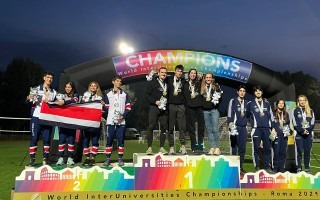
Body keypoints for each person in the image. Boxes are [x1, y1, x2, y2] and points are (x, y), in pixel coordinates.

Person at [26, 71, 57, 166]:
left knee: (47, 140)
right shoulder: (35, 89)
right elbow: (28, 101)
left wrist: (52, 103)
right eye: (48, 77)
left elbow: (55, 106)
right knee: (34, 138)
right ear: (44, 78)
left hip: (47, 118)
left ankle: (45, 159)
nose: (49, 79)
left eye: (51, 78)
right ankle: (32, 159)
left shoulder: (54, 92)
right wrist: (28, 97)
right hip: (36, 116)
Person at [246, 85, 275, 174]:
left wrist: (273, 128)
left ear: (262, 92)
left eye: (260, 91)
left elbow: (271, 117)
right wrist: (252, 123)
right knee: (256, 149)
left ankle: (267, 167)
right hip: (256, 129)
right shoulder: (250, 104)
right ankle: (257, 166)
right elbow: (247, 116)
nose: (258, 92)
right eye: (256, 91)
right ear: (254, 93)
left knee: (267, 149)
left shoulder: (267, 104)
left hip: (267, 129)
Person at [103, 75, 131, 166]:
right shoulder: (108, 95)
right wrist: (104, 106)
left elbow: (128, 107)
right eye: (117, 81)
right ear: (113, 82)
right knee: (109, 140)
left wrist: (123, 116)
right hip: (110, 121)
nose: (119, 83)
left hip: (121, 121)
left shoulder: (125, 94)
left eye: (120, 81)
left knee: (121, 140)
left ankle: (120, 158)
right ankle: (107, 158)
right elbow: (106, 108)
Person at [145, 67, 169, 155]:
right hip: (154, 107)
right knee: (151, 126)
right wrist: (155, 101)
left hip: (164, 109)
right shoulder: (152, 83)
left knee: (163, 127)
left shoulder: (168, 82)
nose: (164, 74)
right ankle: (149, 148)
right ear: (158, 73)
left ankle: (162, 147)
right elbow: (147, 95)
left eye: (165, 72)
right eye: (162, 72)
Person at [55, 81, 79, 166]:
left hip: (72, 122)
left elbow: (74, 101)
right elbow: (56, 103)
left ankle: (70, 158)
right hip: (63, 122)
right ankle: (60, 158)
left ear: (72, 88)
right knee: (62, 140)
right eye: (66, 87)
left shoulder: (76, 95)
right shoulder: (61, 96)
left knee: (71, 141)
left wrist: (64, 102)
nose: (67, 89)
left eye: (69, 87)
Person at [82, 81, 103, 166]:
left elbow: (103, 108)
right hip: (86, 121)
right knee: (86, 140)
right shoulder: (85, 96)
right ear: (89, 87)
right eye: (92, 86)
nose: (93, 87)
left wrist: (103, 105)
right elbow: (81, 106)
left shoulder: (100, 97)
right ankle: (87, 158)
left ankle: (93, 158)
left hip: (96, 122)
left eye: (95, 86)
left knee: (95, 140)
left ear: (97, 88)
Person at [167, 65, 187, 155]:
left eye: (181, 72)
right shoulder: (169, 79)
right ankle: (171, 147)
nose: (179, 73)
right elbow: (159, 78)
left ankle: (182, 146)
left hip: (181, 106)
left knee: (182, 127)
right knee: (170, 127)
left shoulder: (184, 81)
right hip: (171, 105)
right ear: (175, 71)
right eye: (178, 71)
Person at [227, 85, 248, 173]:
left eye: (243, 91)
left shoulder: (247, 103)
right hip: (234, 127)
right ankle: (232, 167)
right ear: (237, 92)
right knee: (234, 148)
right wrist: (231, 124)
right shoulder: (233, 101)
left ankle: (240, 167)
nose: (242, 92)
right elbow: (229, 113)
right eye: (240, 91)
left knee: (242, 149)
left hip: (243, 128)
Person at [184, 69, 205, 154]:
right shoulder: (185, 84)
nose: (193, 74)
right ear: (189, 75)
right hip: (189, 108)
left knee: (201, 128)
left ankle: (200, 146)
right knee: (191, 129)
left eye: (194, 73)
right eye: (191, 73)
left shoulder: (199, 83)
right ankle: (194, 147)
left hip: (199, 107)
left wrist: (202, 77)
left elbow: (204, 85)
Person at [201, 73, 222, 155]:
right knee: (209, 130)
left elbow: (220, 98)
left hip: (214, 110)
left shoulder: (216, 87)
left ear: (212, 78)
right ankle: (212, 147)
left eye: (210, 77)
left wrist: (217, 101)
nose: (208, 79)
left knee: (215, 129)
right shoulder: (202, 87)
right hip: (205, 111)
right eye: (207, 77)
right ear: (205, 79)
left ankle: (217, 148)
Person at [292, 95, 315, 173]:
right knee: (299, 151)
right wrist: (302, 131)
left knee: (307, 152)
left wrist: (307, 130)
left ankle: (307, 168)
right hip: (299, 134)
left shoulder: (310, 111)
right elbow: (295, 123)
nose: (302, 102)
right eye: (300, 100)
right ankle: (299, 168)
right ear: (298, 101)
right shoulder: (295, 110)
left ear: (306, 101)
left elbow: (312, 123)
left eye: (303, 100)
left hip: (309, 134)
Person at [272, 99, 292, 173]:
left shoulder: (286, 114)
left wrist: (288, 132)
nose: (281, 104)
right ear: (277, 104)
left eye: (282, 103)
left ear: (284, 105)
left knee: (283, 153)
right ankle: (275, 169)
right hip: (276, 136)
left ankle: (281, 169)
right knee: (276, 153)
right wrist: (272, 129)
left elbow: (287, 125)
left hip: (284, 136)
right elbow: (271, 123)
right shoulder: (273, 113)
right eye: (279, 103)